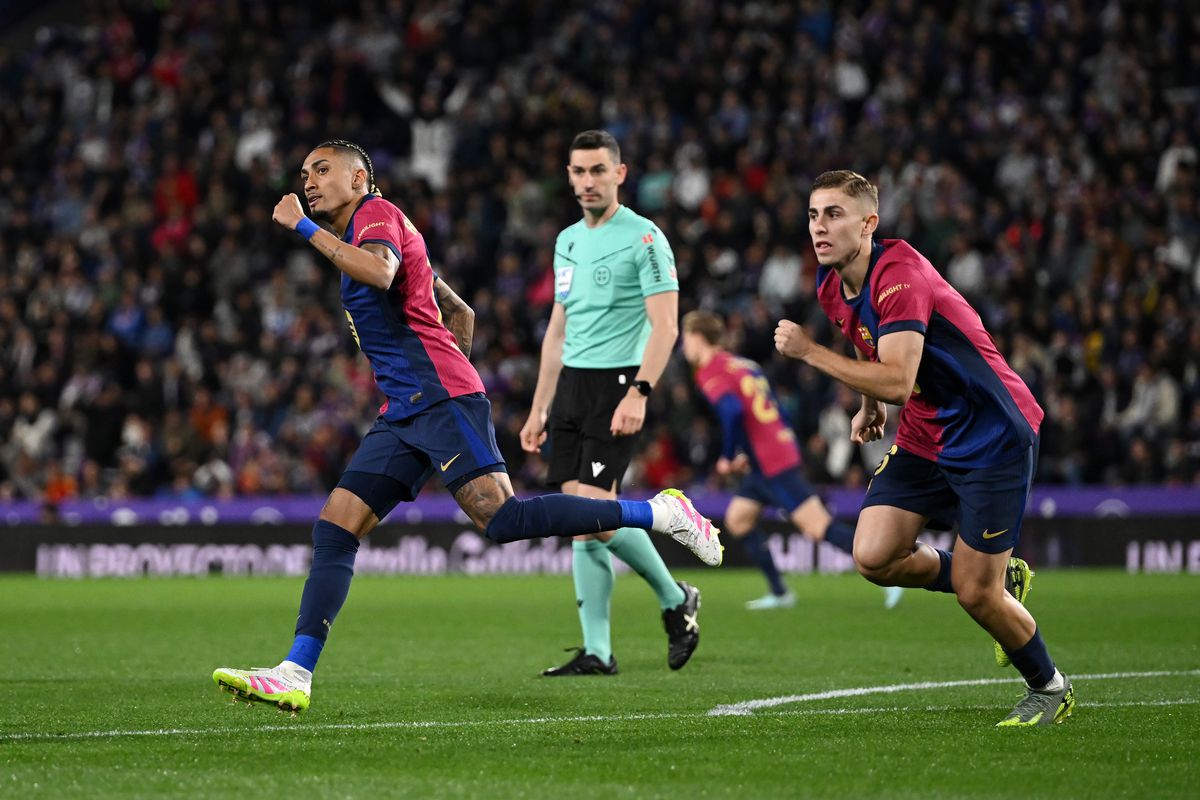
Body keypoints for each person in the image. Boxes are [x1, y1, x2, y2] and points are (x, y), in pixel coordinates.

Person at [212, 140, 722, 713]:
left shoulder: (374, 214)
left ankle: (661, 513)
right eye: (304, 172)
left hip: (436, 398)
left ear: (358, 179)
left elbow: (380, 272)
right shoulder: (371, 228)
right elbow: (460, 312)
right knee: (337, 525)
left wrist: (304, 229)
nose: (308, 181)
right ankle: (295, 672)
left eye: (322, 170)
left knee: (503, 520)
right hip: (407, 409)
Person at [773, 170, 1074, 727]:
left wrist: (810, 352)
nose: (819, 227)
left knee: (975, 596)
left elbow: (895, 376)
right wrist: (869, 405)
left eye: (834, 214)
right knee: (873, 555)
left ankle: (1049, 686)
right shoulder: (832, 283)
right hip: (925, 430)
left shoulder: (900, 277)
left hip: (991, 433)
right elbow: (869, 346)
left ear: (869, 223)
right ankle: (999, 577)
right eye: (813, 215)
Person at [519, 130, 704, 677]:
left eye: (598, 170)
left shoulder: (645, 238)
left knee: (595, 513)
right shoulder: (567, 241)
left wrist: (639, 392)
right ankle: (598, 650)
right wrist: (539, 406)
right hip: (572, 386)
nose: (587, 181)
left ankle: (675, 597)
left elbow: (666, 326)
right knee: (579, 517)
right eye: (578, 172)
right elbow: (558, 330)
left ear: (620, 174)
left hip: (618, 384)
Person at [681, 310, 903, 610]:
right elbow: (774, 408)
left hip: (770, 461)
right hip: (769, 454)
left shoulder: (709, 370)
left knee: (817, 526)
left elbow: (733, 412)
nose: (684, 346)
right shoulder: (742, 364)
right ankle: (780, 592)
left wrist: (728, 456)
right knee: (738, 519)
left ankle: (887, 569)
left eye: (686, 339)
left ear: (697, 338)